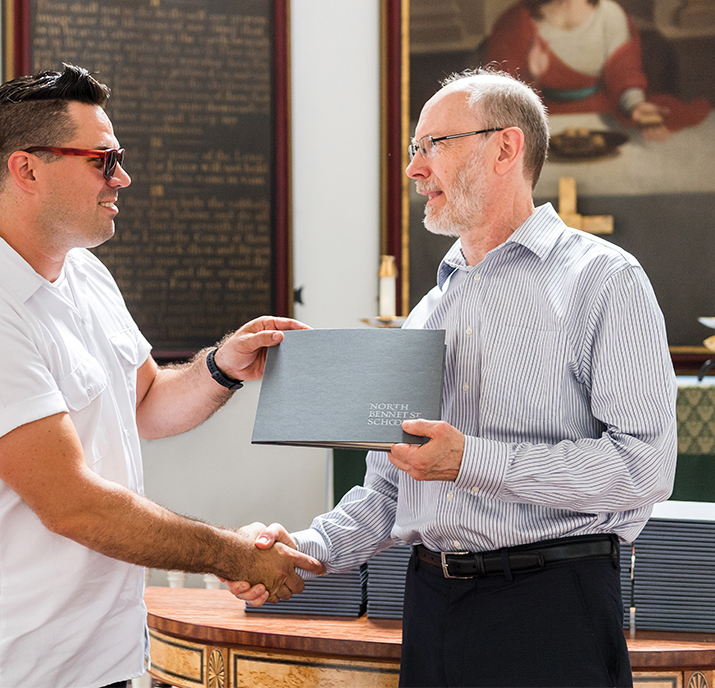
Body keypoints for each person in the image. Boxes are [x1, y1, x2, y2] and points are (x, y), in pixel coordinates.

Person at [230, 68, 676, 686]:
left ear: (505, 148)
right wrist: (304, 547)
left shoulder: (604, 280)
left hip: (550, 607)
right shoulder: (430, 310)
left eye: (434, 145)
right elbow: (389, 494)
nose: (414, 169)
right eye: (414, 150)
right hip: (432, 607)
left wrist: (471, 461)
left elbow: (644, 468)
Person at [0, 64, 324, 688]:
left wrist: (221, 366)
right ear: (27, 169)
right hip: (8, 666)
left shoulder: (84, 273)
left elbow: (148, 402)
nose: (123, 177)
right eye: (104, 159)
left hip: (104, 655)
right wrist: (231, 554)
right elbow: (75, 506)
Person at [484, 0, 709, 141]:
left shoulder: (609, 14)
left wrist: (637, 106)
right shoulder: (515, 22)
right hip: (541, 125)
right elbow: (499, 99)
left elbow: (625, 76)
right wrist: (531, 77)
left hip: (605, 118)